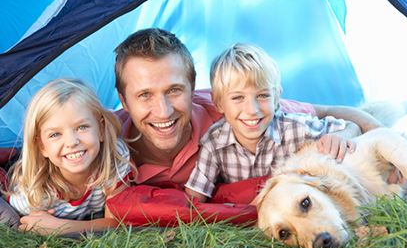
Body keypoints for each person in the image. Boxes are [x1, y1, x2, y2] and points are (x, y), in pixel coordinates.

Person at [113, 28, 383, 189]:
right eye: (144, 95)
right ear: (123, 100)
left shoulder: (234, 110)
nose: (163, 111)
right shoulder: (99, 139)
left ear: (193, 87)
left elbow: (327, 111)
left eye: (174, 90)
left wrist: (376, 137)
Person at [184, 43, 361, 202]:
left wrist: (341, 136)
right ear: (219, 103)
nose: (252, 109)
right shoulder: (214, 143)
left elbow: (352, 126)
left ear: (276, 98)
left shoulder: (295, 128)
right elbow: (194, 198)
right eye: (238, 97)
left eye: (262, 96)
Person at [4, 78, 135, 234]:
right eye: (56, 134)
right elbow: (25, 220)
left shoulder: (114, 157)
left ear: (100, 129)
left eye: (82, 127)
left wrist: (59, 227)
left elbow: (117, 222)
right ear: (42, 147)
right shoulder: (33, 194)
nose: (72, 142)